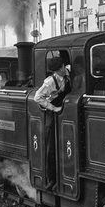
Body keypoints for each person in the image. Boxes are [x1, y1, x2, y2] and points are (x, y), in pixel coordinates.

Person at [34, 56, 71, 190]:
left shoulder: (70, 71)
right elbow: (37, 97)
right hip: (53, 111)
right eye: (55, 71)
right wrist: (54, 108)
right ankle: (51, 179)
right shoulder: (50, 82)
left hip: (67, 110)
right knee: (50, 145)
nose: (58, 72)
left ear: (63, 66)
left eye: (59, 69)